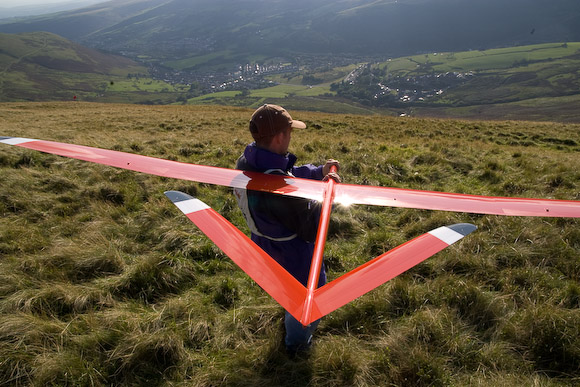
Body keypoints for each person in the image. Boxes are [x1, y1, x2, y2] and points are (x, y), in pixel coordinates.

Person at [234, 104, 340, 355]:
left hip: (262, 242)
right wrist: (327, 195)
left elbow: (287, 175)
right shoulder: (277, 189)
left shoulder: (249, 162)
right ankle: (297, 344)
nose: (291, 138)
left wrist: (317, 172)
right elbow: (311, 227)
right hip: (290, 252)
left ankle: (292, 322)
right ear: (280, 136)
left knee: (286, 292)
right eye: (290, 133)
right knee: (306, 298)